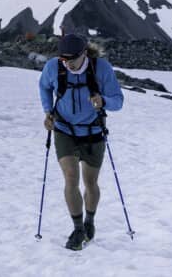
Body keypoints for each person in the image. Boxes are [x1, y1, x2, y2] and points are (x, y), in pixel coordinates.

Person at [39, 33, 124, 250]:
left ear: (84, 54)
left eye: (72, 59)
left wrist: (103, 100)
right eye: (63, 59)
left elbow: (118, 101)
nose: (67, 63)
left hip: (93, 131)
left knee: (90, 182)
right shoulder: (54, 67)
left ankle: (89, 221)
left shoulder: (101, 69)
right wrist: (49, 111)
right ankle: (78, 229)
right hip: (64, 130)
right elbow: (44, 87)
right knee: (70, 177)